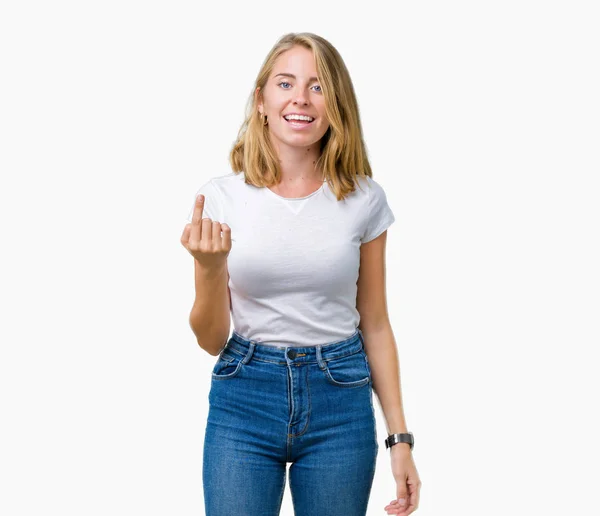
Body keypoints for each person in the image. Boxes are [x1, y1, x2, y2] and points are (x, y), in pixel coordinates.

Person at [181, 32, 421, 516]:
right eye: (285, 83)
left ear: (336, 104)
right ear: (262, 101)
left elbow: (374, 322)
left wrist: (400, 438)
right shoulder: (222, 198)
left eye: (317, 87)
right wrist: (209, 268)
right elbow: (211, 340)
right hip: (244, 397)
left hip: (340, 402)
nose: (300, 99)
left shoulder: (363, 199)